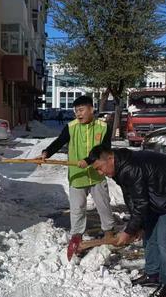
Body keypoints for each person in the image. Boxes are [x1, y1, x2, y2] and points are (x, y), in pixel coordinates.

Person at [86, 145, 166, 297]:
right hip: (157, 194)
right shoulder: (119, 168)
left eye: (100, 168)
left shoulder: (131, 167)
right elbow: (132, 198)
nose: (100, 173)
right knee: (149, 234)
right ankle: (152, 274)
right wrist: (138, 226)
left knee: (165, 239)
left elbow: (141, 204)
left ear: (110, 158)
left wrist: (128, 231)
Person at [40, 95, 115, 242]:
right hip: (77, 175)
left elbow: (105, 149)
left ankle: (109, 233)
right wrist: (47, 152)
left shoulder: (103, 127)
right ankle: (76, 237)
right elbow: (59, 141)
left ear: (91, 109)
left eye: (81, 110)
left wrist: (88, 161)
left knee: (104, 205)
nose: (78, 114)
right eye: (76, 111)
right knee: (77, 209)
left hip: (97, 174)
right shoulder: (71, 127)